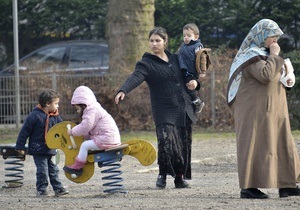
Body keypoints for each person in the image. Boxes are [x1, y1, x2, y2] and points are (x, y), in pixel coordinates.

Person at [115, 27, 200, 189]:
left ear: (164, 42)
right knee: (166, 142)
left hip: (183, 107)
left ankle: (179, 178)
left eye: (158, 40)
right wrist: (123, 90)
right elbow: (135, 77)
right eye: (152, 41)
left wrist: (196, 82)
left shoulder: (176, 58)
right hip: (163, 110)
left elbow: (190, 75)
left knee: (182, 145)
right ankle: (162, 174)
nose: (154, 44)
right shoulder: (146, 64)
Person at [227, 19, 300, 199]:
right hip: (255, 111)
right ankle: (248, 187)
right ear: (262, 36)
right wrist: (275, 55)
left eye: (276, 37)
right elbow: (265, 75)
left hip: (275, 110)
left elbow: (275, 75)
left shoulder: (264, 53)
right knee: (253, 145)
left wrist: (287, 79)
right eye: (272, 37)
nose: (275, 41)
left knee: (282, 143)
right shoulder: (251, 55)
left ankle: (287, 185)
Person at [15, 88, 69, 197]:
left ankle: (58, 189)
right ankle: (41, 190)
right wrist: (20, 146)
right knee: (42, 171)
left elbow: (61, 130)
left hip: (52, 149)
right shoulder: (34, 116)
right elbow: (24, 131)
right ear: (47, 104)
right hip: (38, 150)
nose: (58, 106)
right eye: (56, 103)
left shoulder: (56, 117)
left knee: (54, 170)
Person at [63, 86, 121, 175]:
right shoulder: (94, 108)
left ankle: (78, 167)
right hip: (109, 138)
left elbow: (85, 126)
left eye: (77, 108)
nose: (78, 111)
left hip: (107, 138)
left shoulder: (92, 111)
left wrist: (72, 131)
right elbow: (90, 130)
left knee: (84, 145)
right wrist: (84, 135)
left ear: (83, 104)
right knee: (88, 143)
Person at [178, 23, 211, 114]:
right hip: (183, 70)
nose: (186, 38)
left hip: (191, 71)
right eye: (184, 36)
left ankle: (197, 101)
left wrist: (202, 71)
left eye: (189, 35)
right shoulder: (183, 47)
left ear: (196, 37)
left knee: (190, 86)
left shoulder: (197, 46)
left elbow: (202, 58)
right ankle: (187, 102)